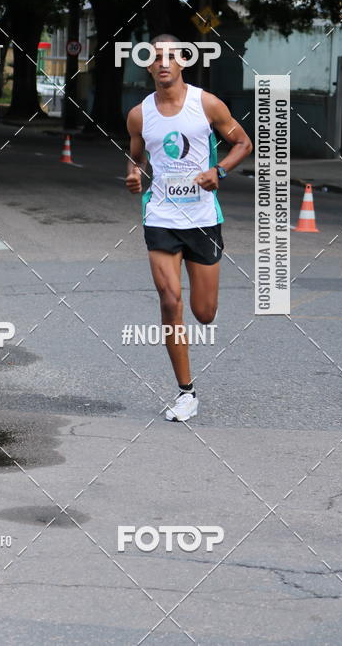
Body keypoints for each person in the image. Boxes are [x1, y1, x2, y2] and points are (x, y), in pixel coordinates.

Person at [125, 36, 252, 422]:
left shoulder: (206, 104)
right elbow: (136, 158)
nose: (163, 63)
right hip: (160, 217)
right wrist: (134, 175)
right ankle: (186, 393)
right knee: (169, 301)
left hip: (202, 219)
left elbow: (243, 142)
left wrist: (220, 171)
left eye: (171, 57)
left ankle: (203, 307)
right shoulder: (139, 114)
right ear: (148, 67)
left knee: (205, 312)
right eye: (156, 58)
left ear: (183, 62)